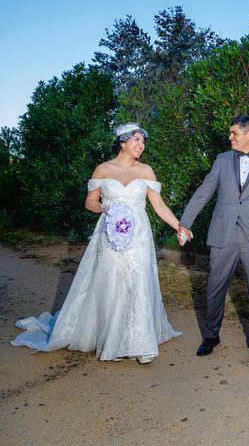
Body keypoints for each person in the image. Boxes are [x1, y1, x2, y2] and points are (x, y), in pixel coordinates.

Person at [11, 122, 182, 364]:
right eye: (136, 140)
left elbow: (159, 205)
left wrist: (178, 225)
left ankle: (141, 343)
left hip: (139, 236)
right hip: (109, 233)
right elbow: (90, 202)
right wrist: (105, 207)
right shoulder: (102, 169)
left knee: (139, 281)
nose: (141, 146)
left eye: (143, 142)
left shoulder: (146, 171)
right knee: (111, 281)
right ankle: (112, 340)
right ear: (123, 142)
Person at [178, 115, 249, 366]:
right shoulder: (222, 160)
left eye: (234, 133)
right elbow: (203, 192)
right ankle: (210, 336)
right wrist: (185, 223)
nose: (230, 138)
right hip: (223, 234)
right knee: (215, 287)